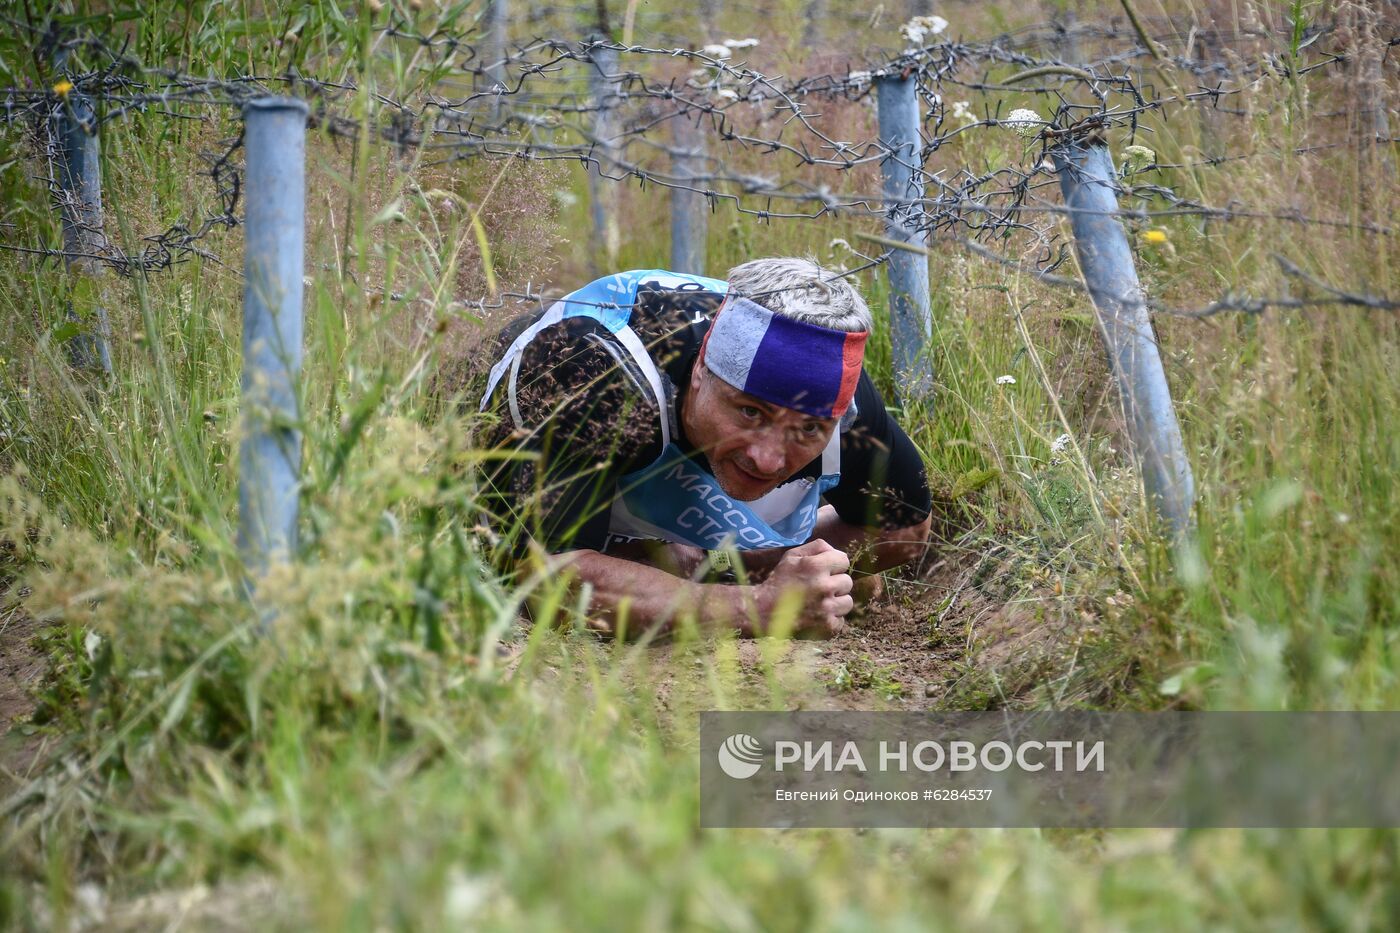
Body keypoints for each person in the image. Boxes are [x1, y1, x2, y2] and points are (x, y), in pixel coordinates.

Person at [479, 258, 932, 638]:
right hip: (513, 448)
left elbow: (906, 532)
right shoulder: (589, 371)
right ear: (700, 370)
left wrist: (733, 566)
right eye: (751, 413)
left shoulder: (835, 393)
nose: (769, 458)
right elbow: (536, 582)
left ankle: (661, 558)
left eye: (808, 429)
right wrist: (759, 605)